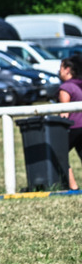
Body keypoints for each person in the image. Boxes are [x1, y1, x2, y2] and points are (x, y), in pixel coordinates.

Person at [58, 54, 82, 191]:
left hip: (74, 127)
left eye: (61, 68)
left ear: (67, 69)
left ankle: (73, 186)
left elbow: (64, 112)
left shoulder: (66, 87)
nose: (59, 71)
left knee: (59, 152)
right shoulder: (80, 85)